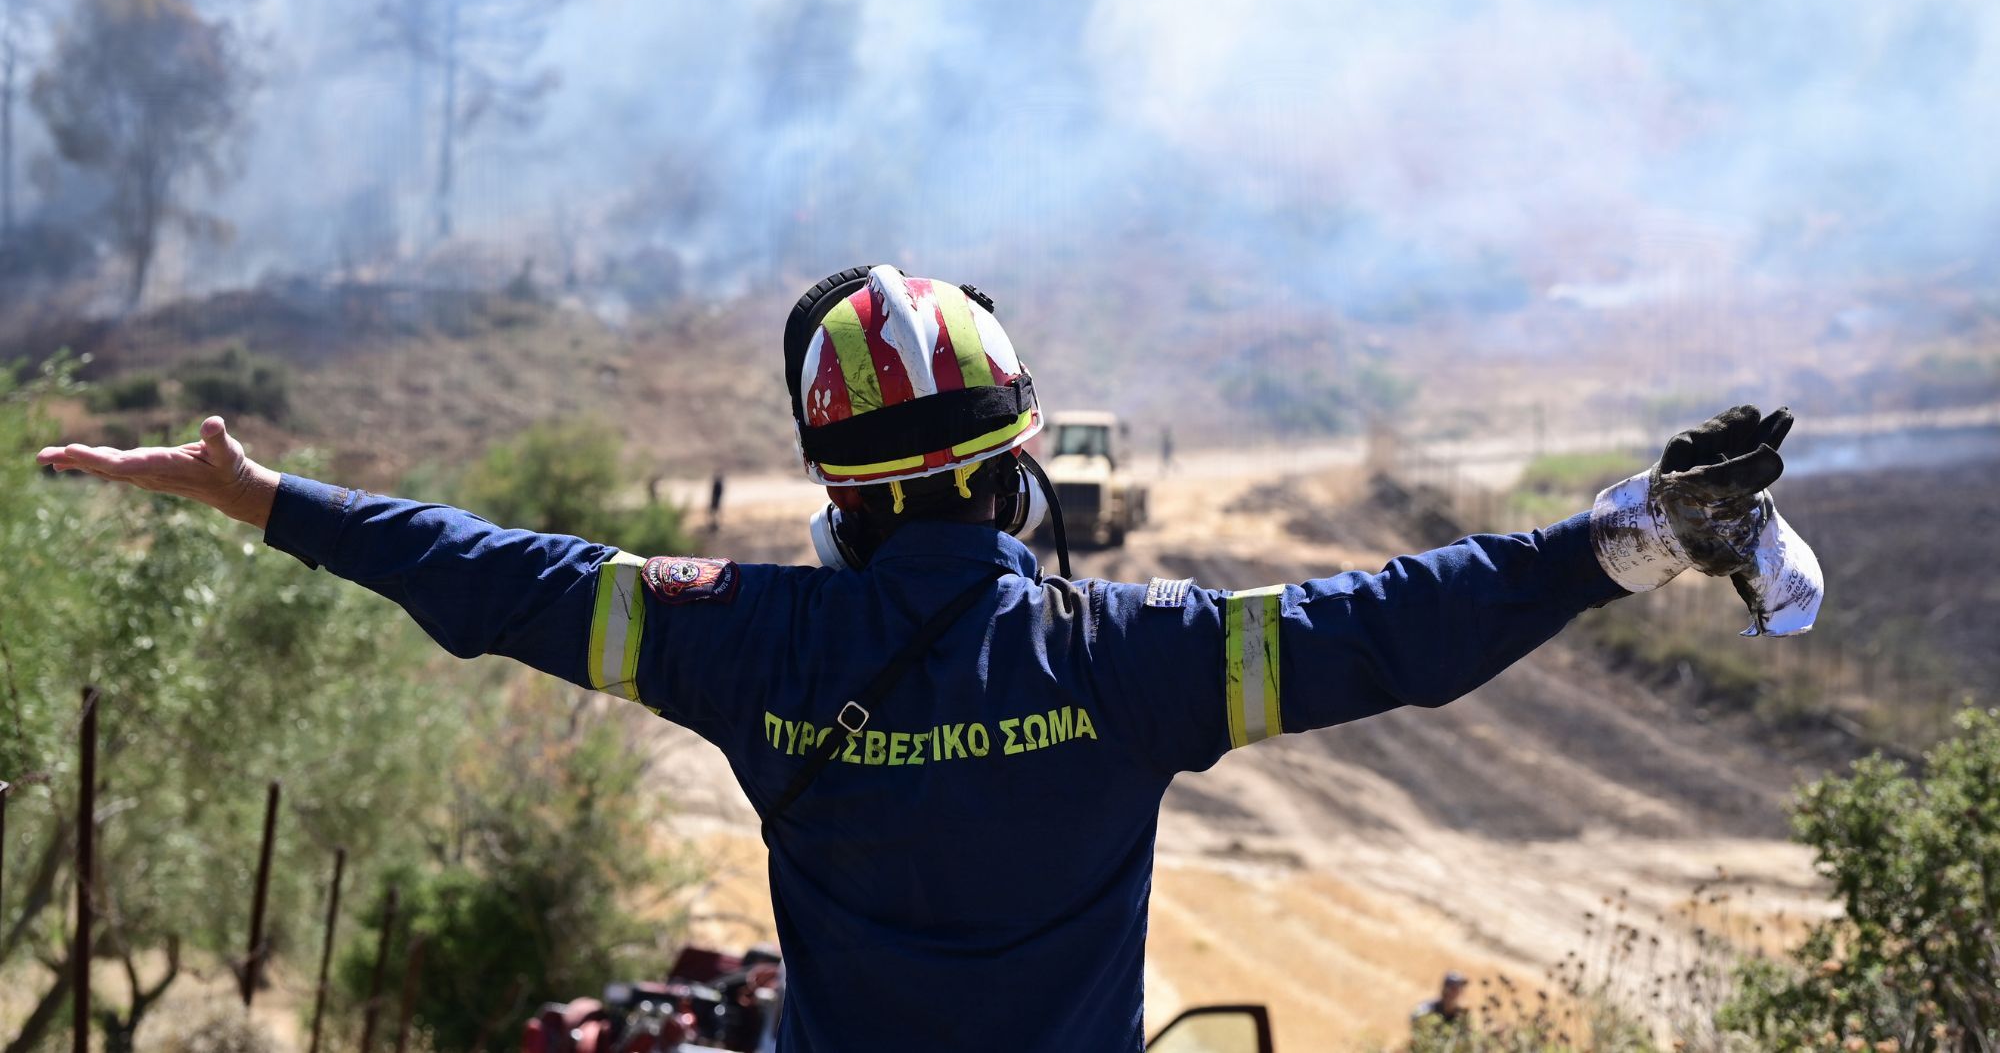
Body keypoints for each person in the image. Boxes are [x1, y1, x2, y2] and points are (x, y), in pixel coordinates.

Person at [35, 264, 1805, 1053]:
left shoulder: (745, 644)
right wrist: (1620, 539)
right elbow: (1399, 627)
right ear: (1020, 465)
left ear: (842, 495)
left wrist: (264, 499)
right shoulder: (1137, 660)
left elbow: (498, 577)